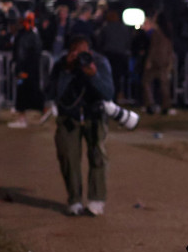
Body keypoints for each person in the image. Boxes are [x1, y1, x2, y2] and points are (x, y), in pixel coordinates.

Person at [45, 34, 115, 216]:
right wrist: (67, 70)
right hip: (69, 118)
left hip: (94, 116)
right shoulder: (62, 65)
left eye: (83, 52)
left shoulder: (100, 62)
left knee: (97, 156)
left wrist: (94, 75)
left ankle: (96, 200)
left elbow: (108, 93)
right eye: (75, 52)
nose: (80, 57)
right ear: (69, 52)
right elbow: (51, 92)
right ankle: (74, 199)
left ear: (90, 51)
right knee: (68, 157)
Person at [9, 12, 46, 128]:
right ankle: (43, 109)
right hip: (30, 70)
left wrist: (18, 68)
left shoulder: (24, 35)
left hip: (23, 70)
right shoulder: (34, 34)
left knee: (22, 91)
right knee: (32, 90)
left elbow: (21, 54)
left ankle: (22, 119)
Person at [140, 11, 176, 115]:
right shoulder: (168, 32)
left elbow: (153, 48)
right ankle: (166, 106)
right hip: (165, 61)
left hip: (156, 61)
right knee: (164, 84)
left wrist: (149, 61)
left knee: (146, 82)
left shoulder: (157, 32)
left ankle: (149, 105)